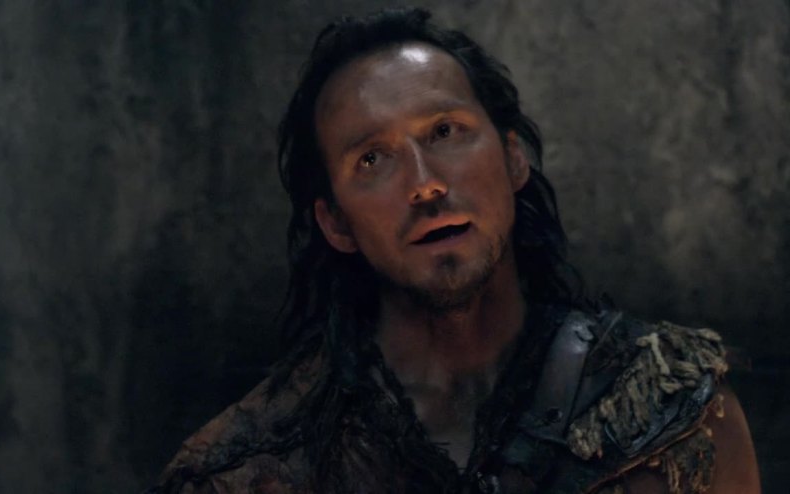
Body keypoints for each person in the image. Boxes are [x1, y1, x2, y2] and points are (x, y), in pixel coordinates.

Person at [148, 8, 759, 493]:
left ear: (513, 158)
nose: (425, 183)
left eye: (444, 131)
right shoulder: (249, 470)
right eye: (372, 159)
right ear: (335, 223)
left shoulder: (675, 413)